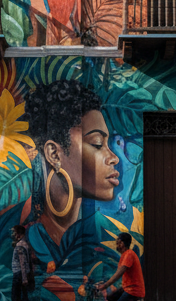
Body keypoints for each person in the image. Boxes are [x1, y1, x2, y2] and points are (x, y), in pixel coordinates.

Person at [21, 81, 122, 286]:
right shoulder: (23, 226)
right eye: (97, 144)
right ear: (54, 154)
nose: (114, 158)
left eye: (108, 144)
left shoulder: (104, 234)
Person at [6, 225, 46, 301]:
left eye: (14, 232)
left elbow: (23, 263)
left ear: (19, 234)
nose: (13, 235)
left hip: (19, 276)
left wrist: (24, 278)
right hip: (21, 275)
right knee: (23, 300)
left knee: (16, 299)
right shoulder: (25, 245)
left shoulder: (20, 246)